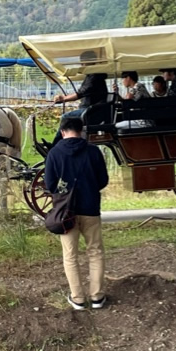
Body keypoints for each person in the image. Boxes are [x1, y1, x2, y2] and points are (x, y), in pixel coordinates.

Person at [45, 115, 109, 311]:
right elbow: (103, 180)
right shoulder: (93, 151)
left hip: (66, 213)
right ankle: (97, 297)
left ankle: (78, 298)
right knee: (95, 251)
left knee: (70, 255)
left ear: (63, 132)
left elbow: (49, 184)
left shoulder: (54, 153)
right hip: (90, 208)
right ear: (81, 131)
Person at [52, 51, 108, 144]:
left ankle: (56, 144)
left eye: (83, 62)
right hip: (89, 110)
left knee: (65, 117)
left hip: (91, 111)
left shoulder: (95, 76)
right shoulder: (91, 76)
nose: (82, 64)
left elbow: (81, 93)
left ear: (90, 62)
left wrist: (63, 99)